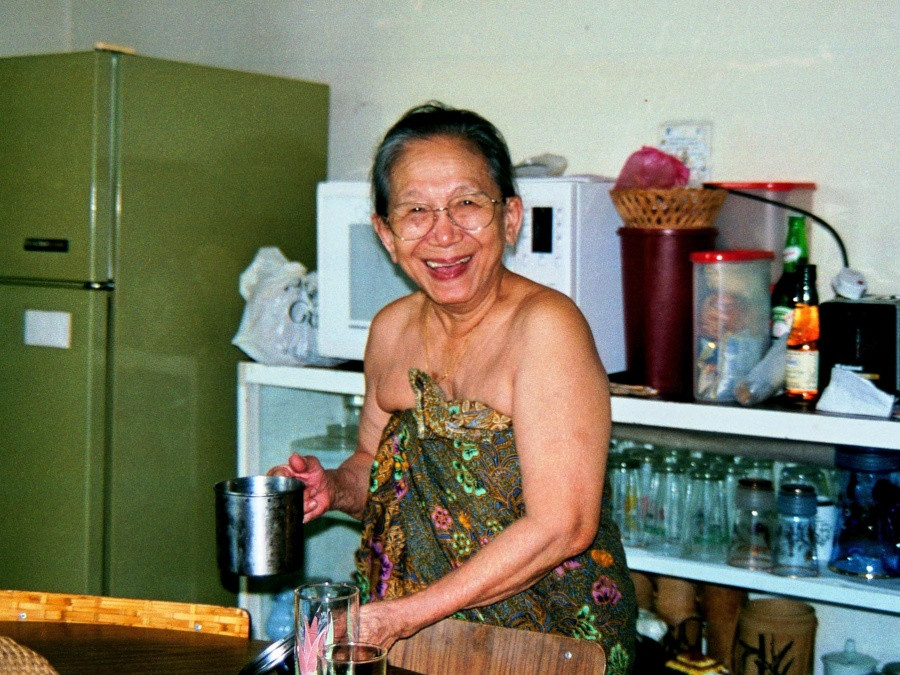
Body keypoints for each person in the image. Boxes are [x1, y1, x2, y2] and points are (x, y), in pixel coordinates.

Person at [270, 102, 636, 672]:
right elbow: (375, 465)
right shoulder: (391, 329)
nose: (443, 233)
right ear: (386, 234)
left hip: (547, 646)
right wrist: (332, 487)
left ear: (510, 218)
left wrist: (403, 616)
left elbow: (563, 526)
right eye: (415, 211)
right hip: (416, 636)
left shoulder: (546, 328)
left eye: (467, 204)